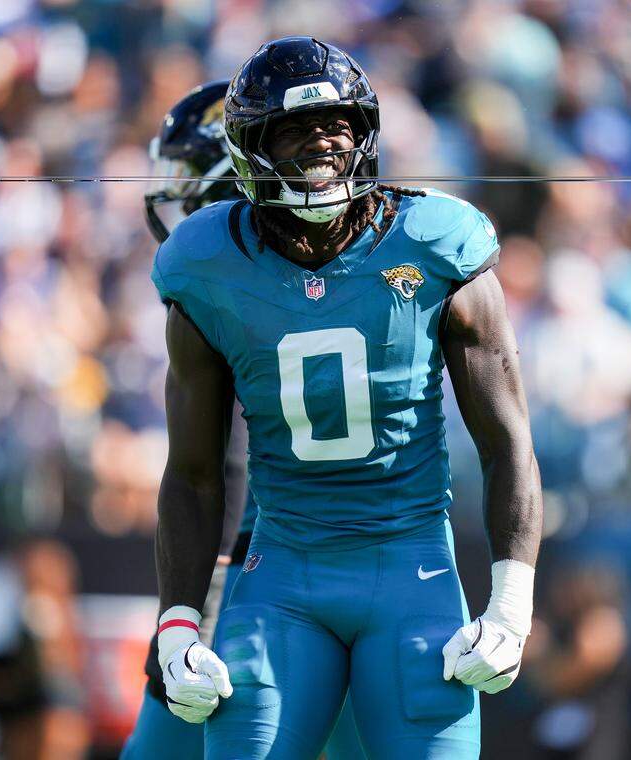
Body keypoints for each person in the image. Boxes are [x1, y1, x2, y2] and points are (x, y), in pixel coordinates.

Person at [152, 37, 543, 759]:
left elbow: (507, 442)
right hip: (280, 579)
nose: (324, 145)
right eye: (297, 131)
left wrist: (511, 603)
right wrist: (177, 621)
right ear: (250, 149)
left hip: (413, 570)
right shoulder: (204, 264)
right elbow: (195, 472)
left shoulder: (434, 241)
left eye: (339, 127)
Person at [124, 79, 366, 760]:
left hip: (269, 571)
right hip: (372, 554)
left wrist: (201, 594)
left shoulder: (238, 291)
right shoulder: (350, 267)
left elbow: (222, 458)